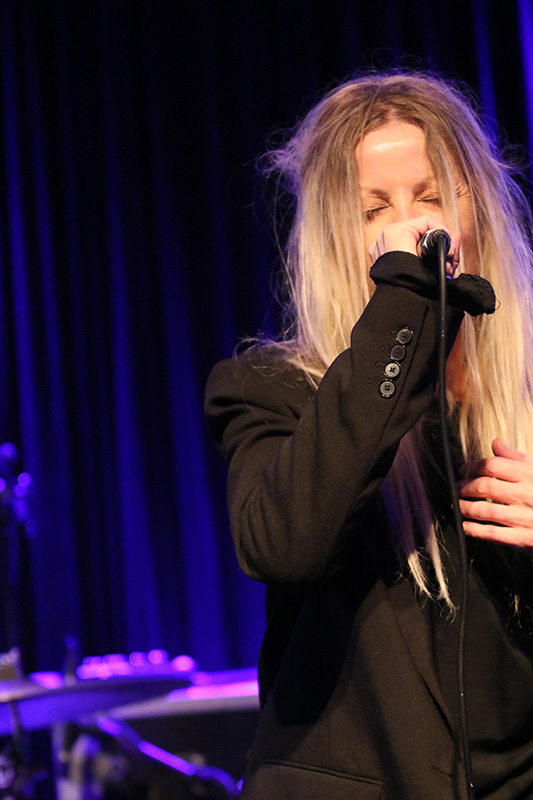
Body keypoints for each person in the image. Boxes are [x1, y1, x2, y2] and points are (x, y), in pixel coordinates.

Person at [205, 71, 533, 799]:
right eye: (373, 209)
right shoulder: (271, 391)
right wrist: (404, 299)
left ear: (476, 208)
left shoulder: (526, 396)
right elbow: (283, 545)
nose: (409, 227)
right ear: (335, 236)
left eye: (430, 197)